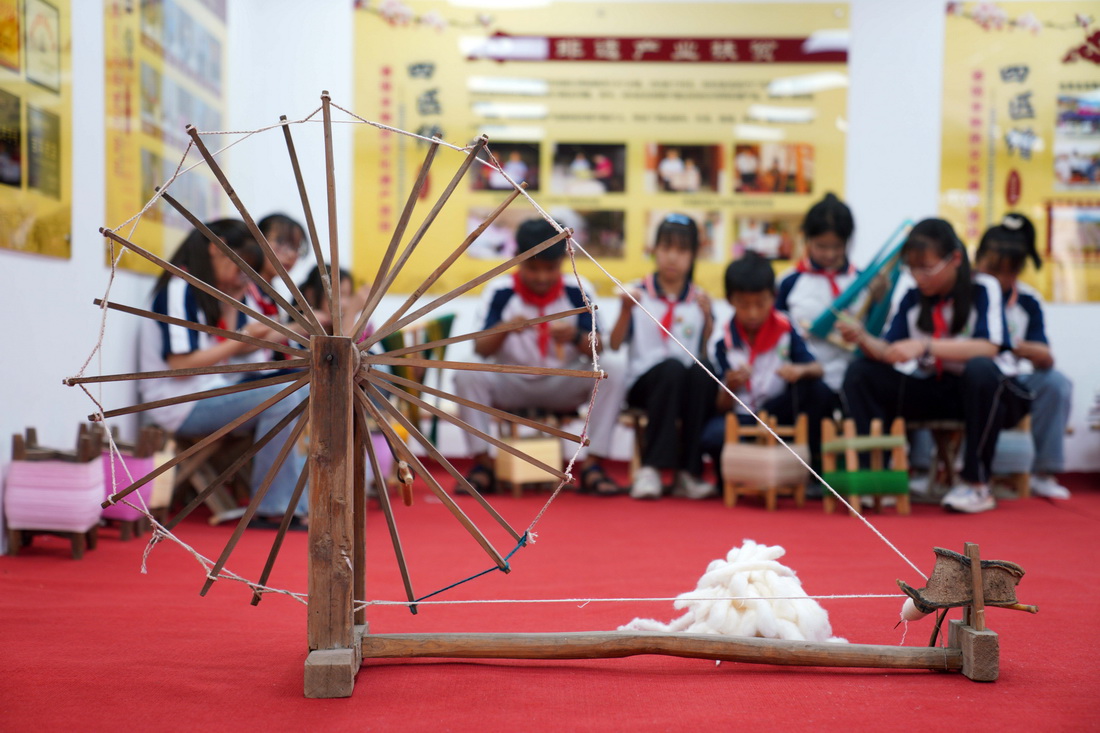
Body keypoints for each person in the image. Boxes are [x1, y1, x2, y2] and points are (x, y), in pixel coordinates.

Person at [838, 218, 1031, 514]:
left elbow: (989, 346)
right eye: (912, 268)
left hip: (989, 394)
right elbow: (892, 352)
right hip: (937, 390)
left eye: (926, 267)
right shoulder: (912, 299)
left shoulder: (983, 287)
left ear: (954, 259)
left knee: (980, 369)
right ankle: (874, 478)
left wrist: (926, 346)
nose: (918, 276)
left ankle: (976, 484)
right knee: (861, 373)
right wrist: (863, 337)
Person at [137, 219, 310, 526]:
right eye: (242, 266)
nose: (244, 275)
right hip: (181, 403)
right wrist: (240, 338)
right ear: (216, 248)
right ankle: (275, 508)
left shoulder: (209, 290)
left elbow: (227, 351)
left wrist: (235, 311)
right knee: (287, 396)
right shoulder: (180, 288)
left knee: (306, 386)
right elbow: (181, 366)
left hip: (211, 391)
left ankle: (299, 500)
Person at [453, 218, 622, 495]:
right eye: (533, 268)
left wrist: (578, 338)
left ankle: (593, 466)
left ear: (563, 263)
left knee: (613, 369)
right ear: (518, 260)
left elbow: (599, 347)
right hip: (513, 383)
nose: (542, 277)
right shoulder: (501, 292)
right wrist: (505, 329)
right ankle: (483, 465)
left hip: (563, 383)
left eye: (550, 268)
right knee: (465, 372)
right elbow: (481, 349)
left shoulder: (577, 289)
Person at [609, 213, 715, 499]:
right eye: (666, 248)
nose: (672, 257)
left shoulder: (699, 299)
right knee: (671, 369)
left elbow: (705, 352)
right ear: (654, 250)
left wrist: (708, 320)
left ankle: (688, 473)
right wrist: (624, 311)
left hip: (684, 387)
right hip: (646, 386)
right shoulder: (637, 291)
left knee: (703, 371)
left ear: (693, 256)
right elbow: (614, 344)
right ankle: (651, 469)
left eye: (681, 250)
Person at [700, 252, 833, 476]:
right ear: (730, 300)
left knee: (819, 392)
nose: (752, 313)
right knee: (712, 436)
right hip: (741, 417)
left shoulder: (786, 328)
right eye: (743, 305)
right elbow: (720, 406)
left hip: (777, 411)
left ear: (773, 297)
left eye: (760, 304)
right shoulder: (723, 341)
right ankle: (738, 473)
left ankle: (811, 471)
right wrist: (729, 386)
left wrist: (799, 370)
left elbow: (818, 369)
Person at [976, 213, 1073, 499]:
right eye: (992, 268)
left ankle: (1043, 472)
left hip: (1013, 382)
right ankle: (921, 471)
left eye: (1006, 271)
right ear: (978, 260)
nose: (998, 278)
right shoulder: (966, 293)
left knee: (1056, 382)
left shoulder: (1028, 301)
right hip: (972, 378)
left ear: (1017, 271)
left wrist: (1023, 349)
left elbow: (1045, 356)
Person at [775, 193, 861, 406]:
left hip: (851, 378)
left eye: (838, 246)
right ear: (807, 239)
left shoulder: (862, 282)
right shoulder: (789, 282)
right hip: (805, 378)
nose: (830, 254)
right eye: (822, 246)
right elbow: (778, 331)